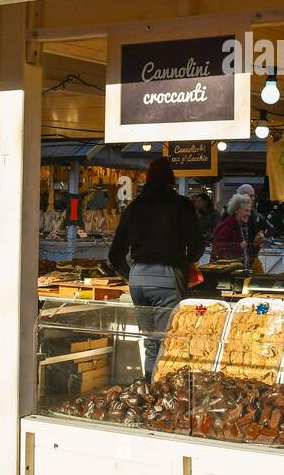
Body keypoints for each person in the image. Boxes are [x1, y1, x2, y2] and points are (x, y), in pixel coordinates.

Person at [107, 157, 204, 379]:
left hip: (139, 280)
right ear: (171, 179)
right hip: (168, 278)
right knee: (167, 340)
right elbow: (197, 244)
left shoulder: (134, 207)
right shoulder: (181, 205)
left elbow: (114, 254)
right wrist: (186, 264)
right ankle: (162, 395)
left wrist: (131, 275)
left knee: (151, 342)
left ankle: (151, 389)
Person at [211, 194, 264, 268]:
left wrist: (255, 244)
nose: (249, 214)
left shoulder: (240, 227)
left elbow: (246, 253)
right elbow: (218, 253)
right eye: (246, 210)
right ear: (236, 210)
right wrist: (239, 247)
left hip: (236, 273)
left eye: (250, 211)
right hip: (225, 275)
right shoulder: (226, 227)